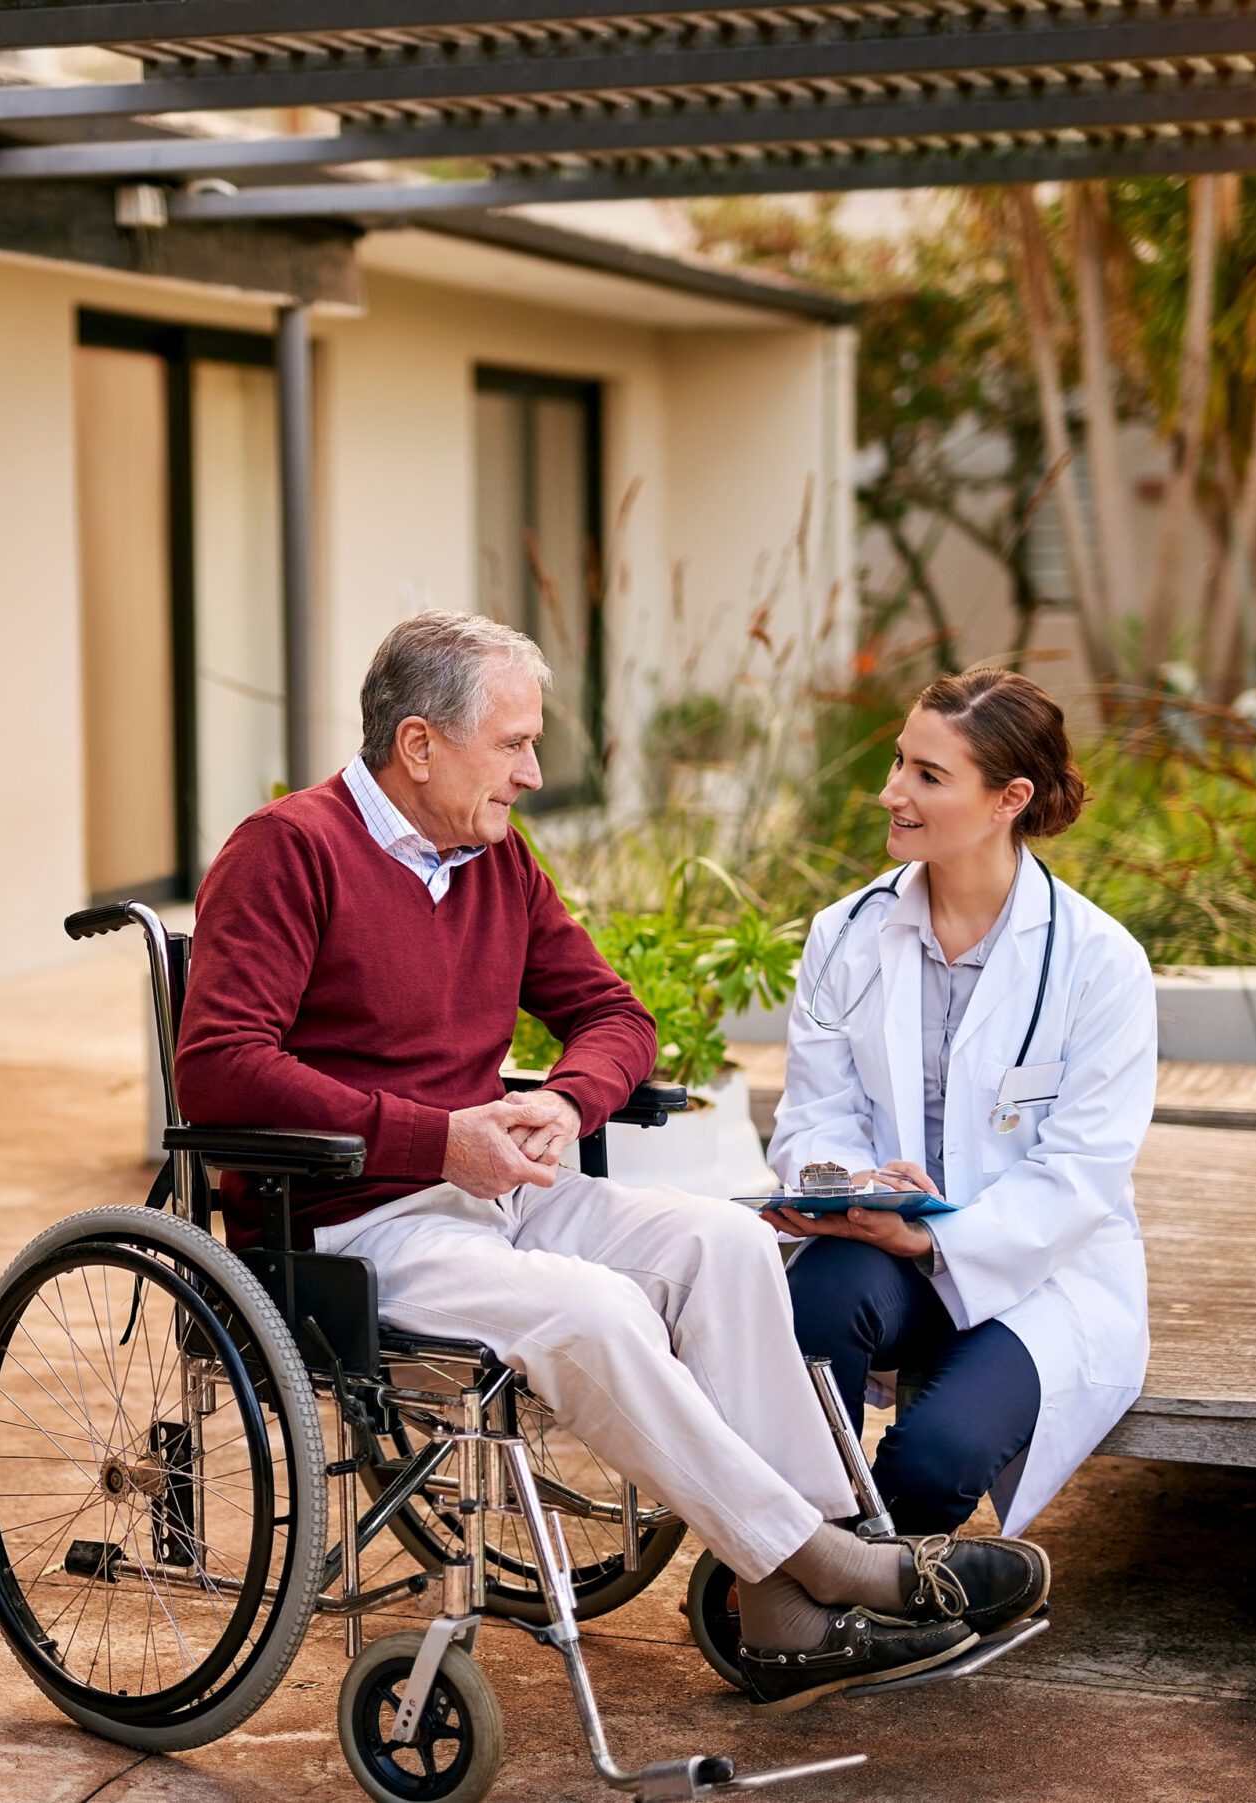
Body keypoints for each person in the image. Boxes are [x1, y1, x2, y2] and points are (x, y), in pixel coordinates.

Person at [177, 612, 1047, 1714]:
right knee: (596, 1311)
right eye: (513, 746)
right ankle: (828, 1567)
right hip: (349, 1224)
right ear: (418, 746)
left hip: (495, 1192)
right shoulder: (289, 849)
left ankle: (787, 1600)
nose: (533, 775)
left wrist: (560, 1097)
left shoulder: (493, 862)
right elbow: (220, 1068)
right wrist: (435, 1136)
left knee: (723, 1240)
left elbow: (611, 1015)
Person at [767, 668, 1154, 1559]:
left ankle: (838, 1587)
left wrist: (936, 1238)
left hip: (1042, 1275)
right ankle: (799, 1552)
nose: (891, 791)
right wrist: (849, 1184)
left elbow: (1081, 1174)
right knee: (814, 1301)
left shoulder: (1100, 962)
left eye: (927, 776)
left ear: (1007, 799)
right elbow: (815, 1114)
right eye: (900, 762)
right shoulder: (845, 933)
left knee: (935, 1461)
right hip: (881, 1250)